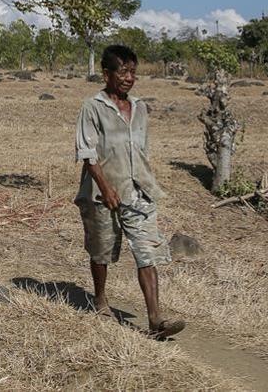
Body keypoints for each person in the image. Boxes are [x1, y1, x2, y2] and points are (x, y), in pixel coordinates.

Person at [75, 44, 185, 339]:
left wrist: (146, 183)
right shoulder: (92, 107)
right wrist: (106, 188)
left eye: (133, 72)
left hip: (138, 191)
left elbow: (142, 150)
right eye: (123, 71)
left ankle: (155, 320)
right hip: (103, 193)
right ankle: (100, 300)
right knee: (102, 251)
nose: (129, 78)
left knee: (146, 252)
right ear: (107, 73)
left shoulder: (140, 108)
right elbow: (88, 153)